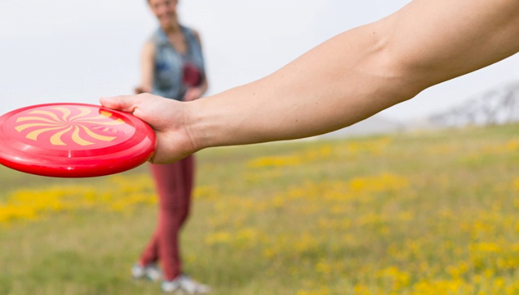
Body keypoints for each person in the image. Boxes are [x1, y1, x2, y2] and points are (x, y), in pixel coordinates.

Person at [101, 0, 519, 165]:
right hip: (163, 126)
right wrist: (192, 122)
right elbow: (388, 56)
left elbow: (388, 57)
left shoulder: (193, 38)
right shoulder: (153, 45)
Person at [129, 0, 210, 293]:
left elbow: (204, 81)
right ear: (151, 9)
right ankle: (172, 278)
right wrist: (141, 93)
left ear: (175, 3)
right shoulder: (152, 46)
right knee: (170, 205)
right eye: (155, 6)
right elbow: (146, 86)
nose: (162, 10)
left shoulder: (194, 37)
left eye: (166, 3)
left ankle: (145, 262)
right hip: (160, 132)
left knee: (184, 208)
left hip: (188, 127)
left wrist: (197, 92)